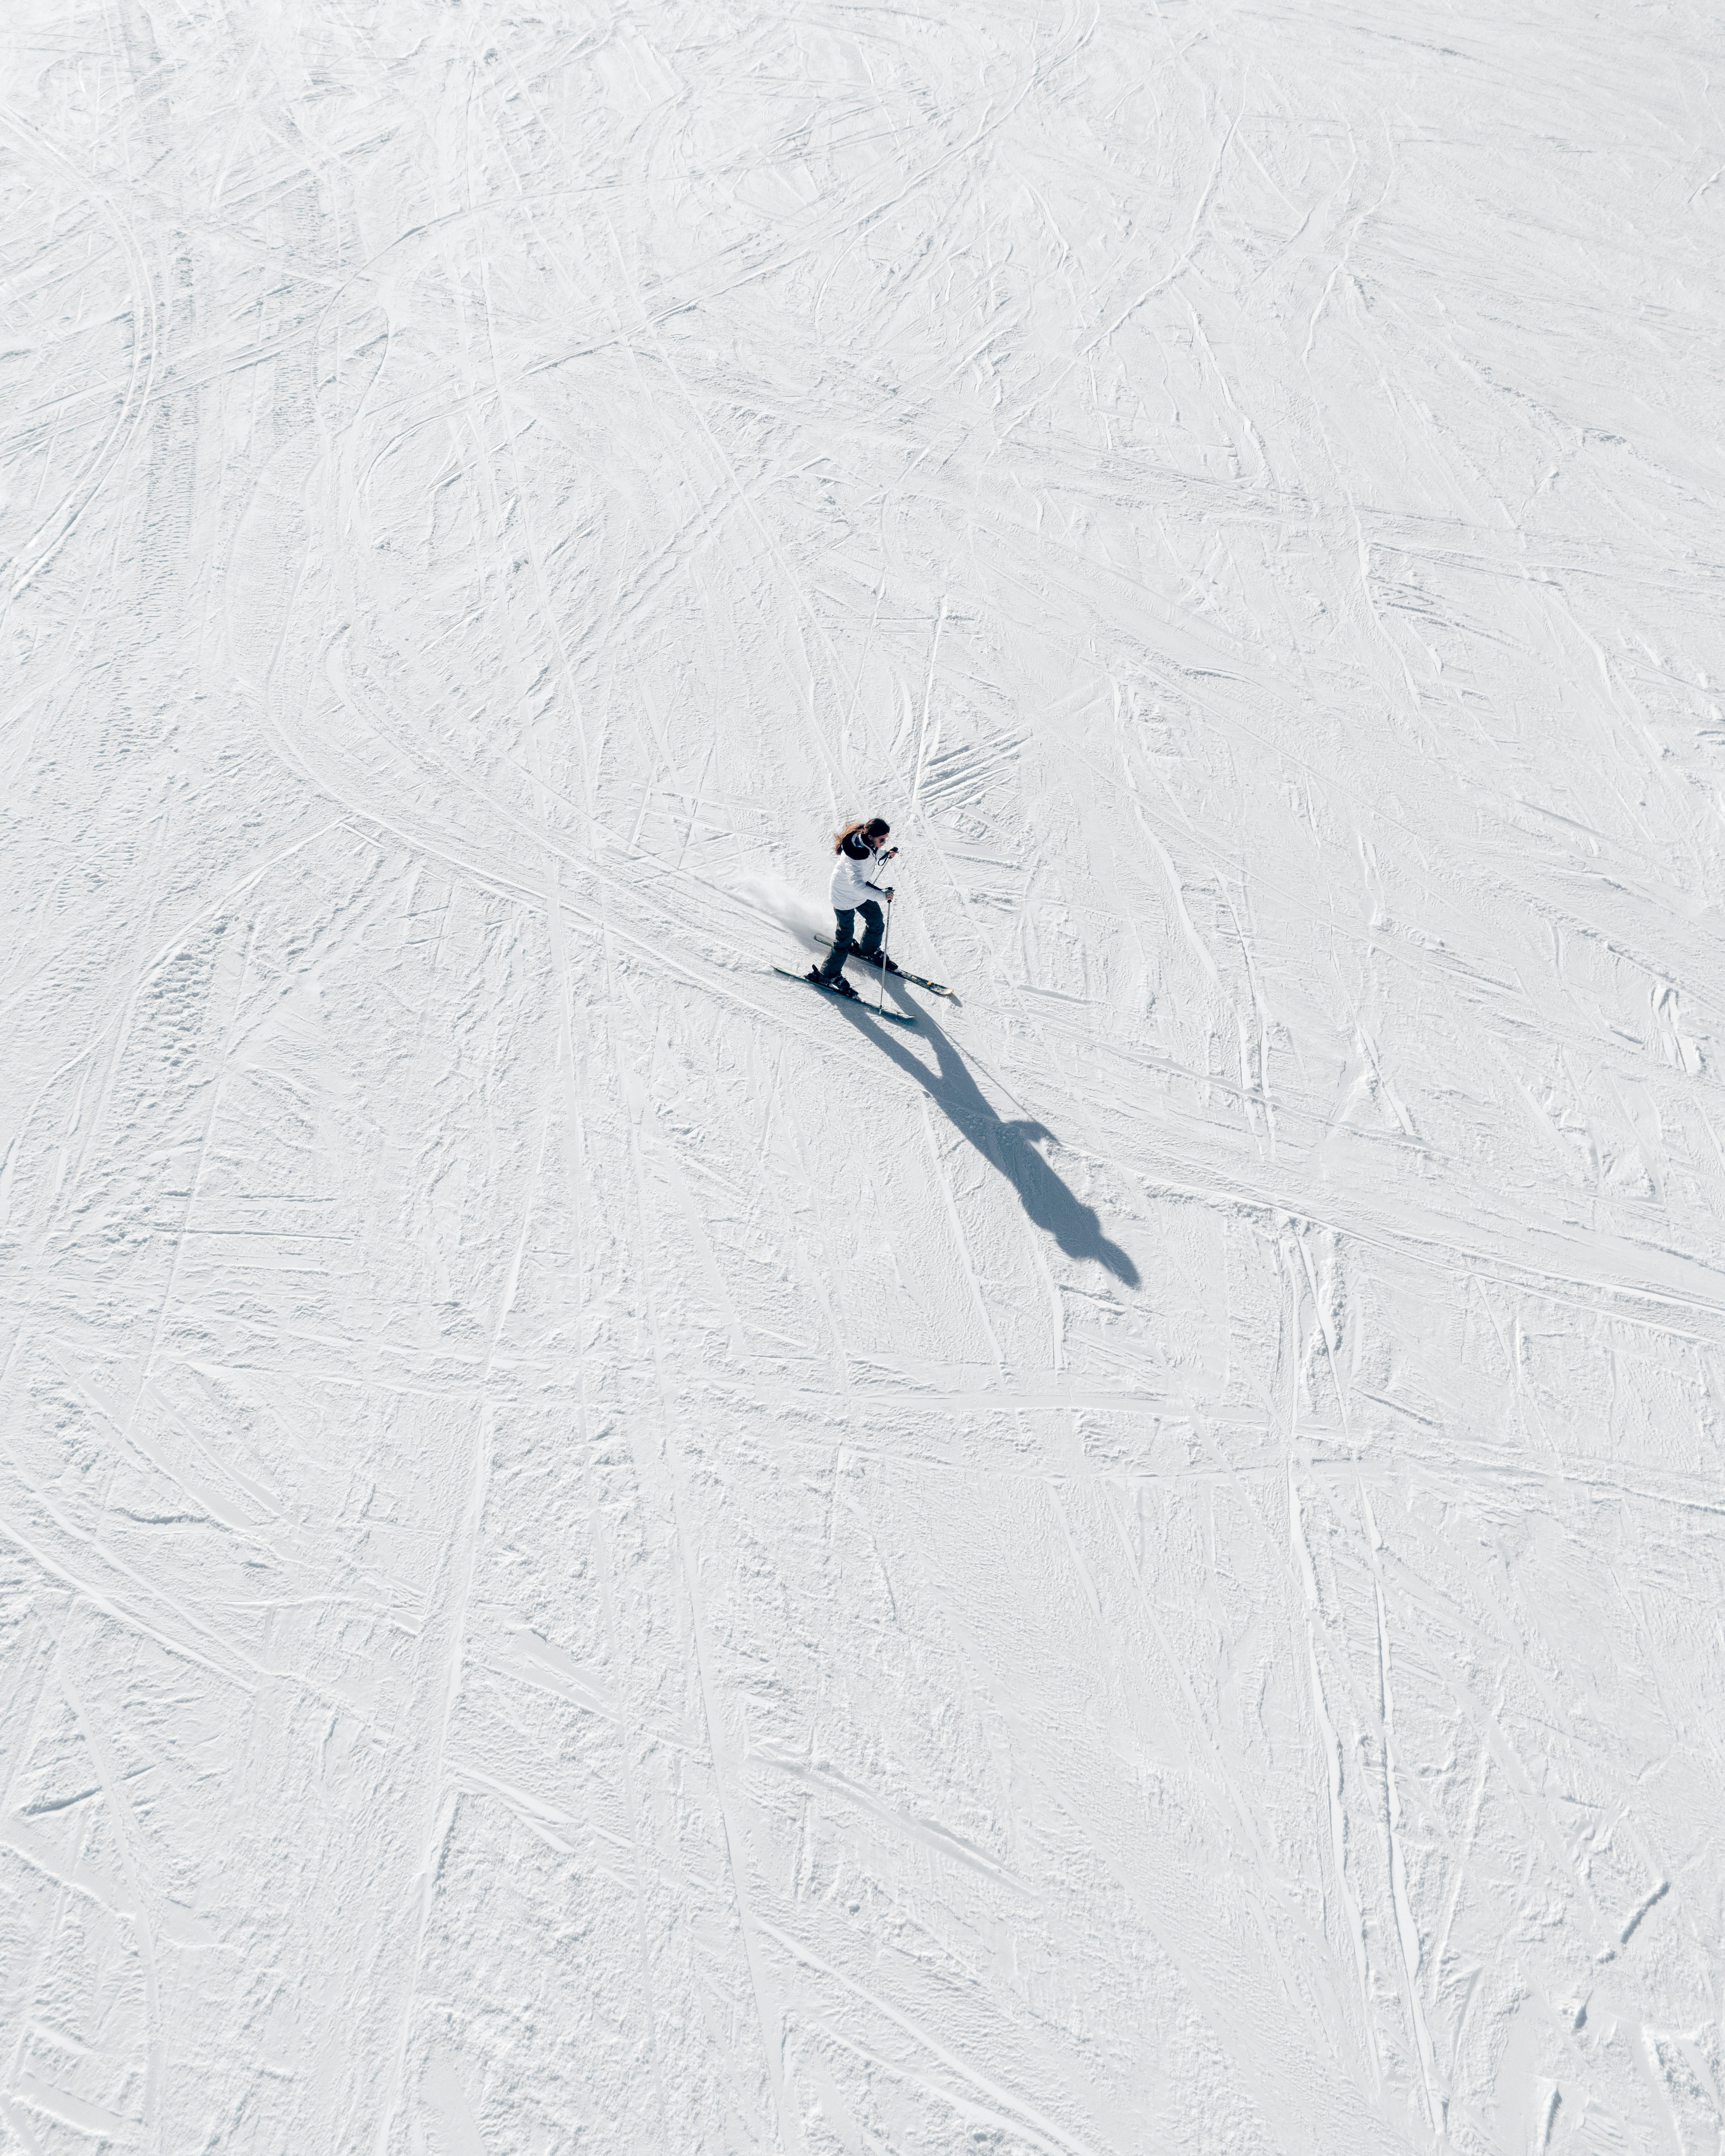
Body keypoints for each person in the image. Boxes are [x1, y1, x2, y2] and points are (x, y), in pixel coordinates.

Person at [809, 817, 897, 997]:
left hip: (860, 894)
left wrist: (886, 854)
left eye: (885, 840)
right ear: (871, 837)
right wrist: (882, 895)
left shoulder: (866, 843)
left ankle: (868, 950)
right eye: (882, 840)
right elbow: (857, 884)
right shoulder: (855, 857)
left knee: (876, 921)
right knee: (844, 938)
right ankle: (828, 975)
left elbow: (874, 854)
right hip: (844, 897)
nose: (884, 842)